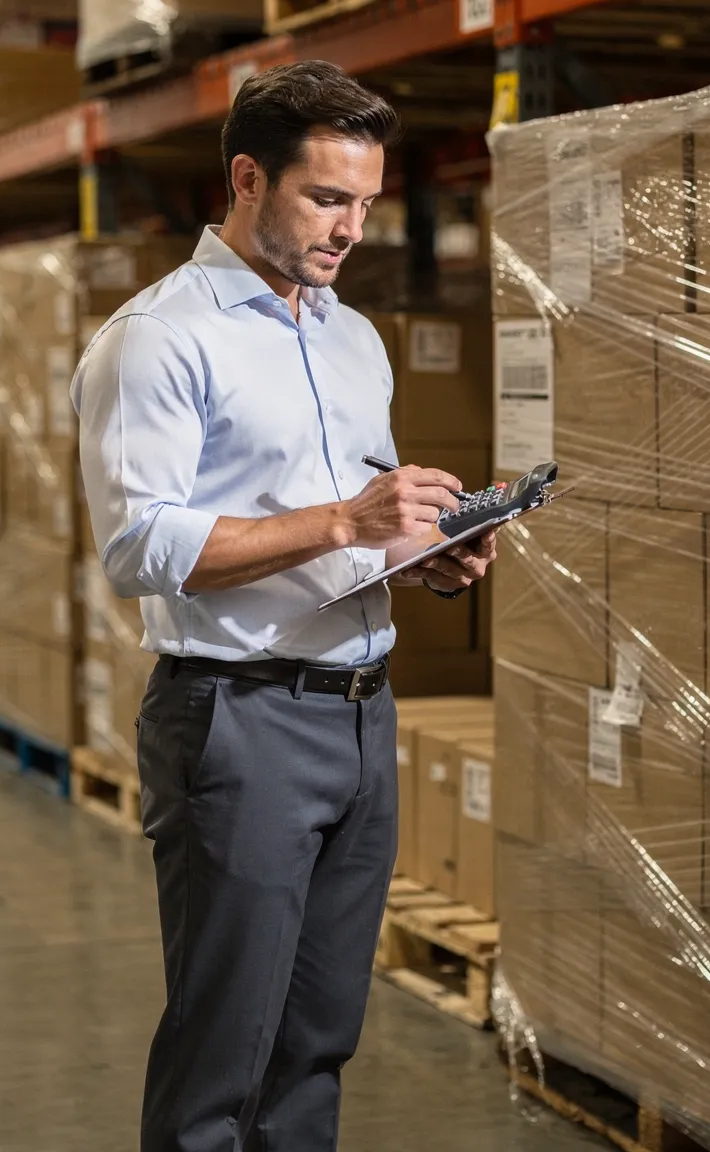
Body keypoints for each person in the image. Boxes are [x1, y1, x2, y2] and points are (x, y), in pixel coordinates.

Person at [72, 60, 497, 1152]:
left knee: (318, 1035)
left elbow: (353, 522)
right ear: (248, 179)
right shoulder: (159, 338)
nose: (351, 228)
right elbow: (138, 545)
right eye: (326, 198)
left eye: (366, 202)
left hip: (360, 711)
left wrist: (419, 552)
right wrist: (346, 523)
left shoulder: (351, 338)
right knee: (227, 1043)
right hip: (236, 720)